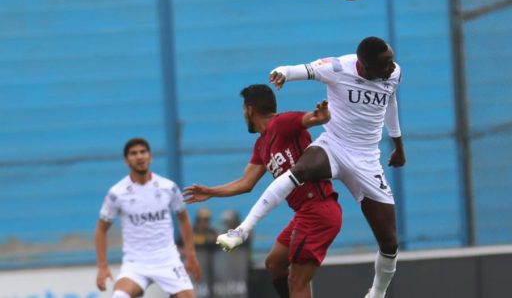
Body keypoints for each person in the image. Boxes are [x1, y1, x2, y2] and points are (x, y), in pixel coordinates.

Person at [219, 36, 406, 298]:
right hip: (335, 145)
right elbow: (303, 69)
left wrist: (398, 144)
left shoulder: (393, 73)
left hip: (366, 159)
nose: (392, 67)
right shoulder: (339, 67)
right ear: (364, 65)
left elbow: (391, 100)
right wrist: (282, 72)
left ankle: (376, 294)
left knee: (390, 242)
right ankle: (242, 230)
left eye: (391, 61)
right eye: (385, 64)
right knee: (299, 171)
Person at [183, 84, 342, 298]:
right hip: (303, 213)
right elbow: (246, 182)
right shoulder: (261, 144)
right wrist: (211, 191)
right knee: (275, 262)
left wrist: (322, 117)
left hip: (318, 210)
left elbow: (311, 119)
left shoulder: (281, 123)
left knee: (297, 280)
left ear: (249, 110)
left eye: (243, 110)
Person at [95, 138, 201, 298]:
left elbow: (183, 219)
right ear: (126, 161)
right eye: (133, 153)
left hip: (167, 260)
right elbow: (101, 230)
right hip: (136, 263)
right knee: (119, 296)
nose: (139, 156)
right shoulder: (116, 193)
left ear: (150, 157)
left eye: (143, 152)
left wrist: (191, 256)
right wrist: (103, 266)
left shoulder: (169, 187)